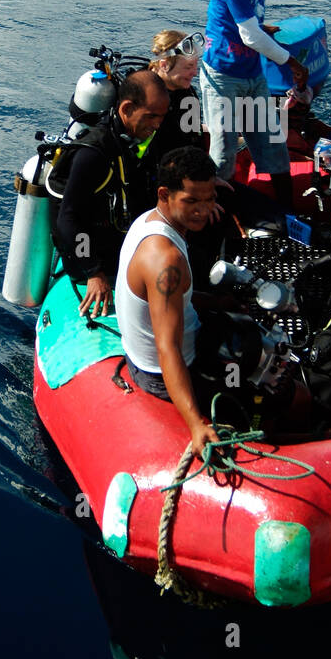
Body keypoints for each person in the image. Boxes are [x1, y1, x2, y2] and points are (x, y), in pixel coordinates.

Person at [114, 147, 222, 457]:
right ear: (165, 194)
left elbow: (165, 300)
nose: (203, 210)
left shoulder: (147, 222)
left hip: (154, 355)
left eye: (209, 198)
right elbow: (167, 348)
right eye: (191, 201)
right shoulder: (166, 260)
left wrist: (222, 302)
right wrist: (196, 424)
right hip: (162, 375)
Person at [200, 0, 308, 211]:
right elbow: (249, 37)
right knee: (223, 155)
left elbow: (247, 23)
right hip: (223, 76)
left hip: (252, 73)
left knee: (273, 145)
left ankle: (288, 214)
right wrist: (292, 63)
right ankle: (217, 218)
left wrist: (262, 28)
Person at [52, 70, 170, 318]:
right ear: (126, 109)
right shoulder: (93, 154)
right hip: (95, 258)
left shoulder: (134, 139)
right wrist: (93, 272)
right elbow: (67, 220)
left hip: (123, 242)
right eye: (151, 117)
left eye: (161, 117)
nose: (157, 124)